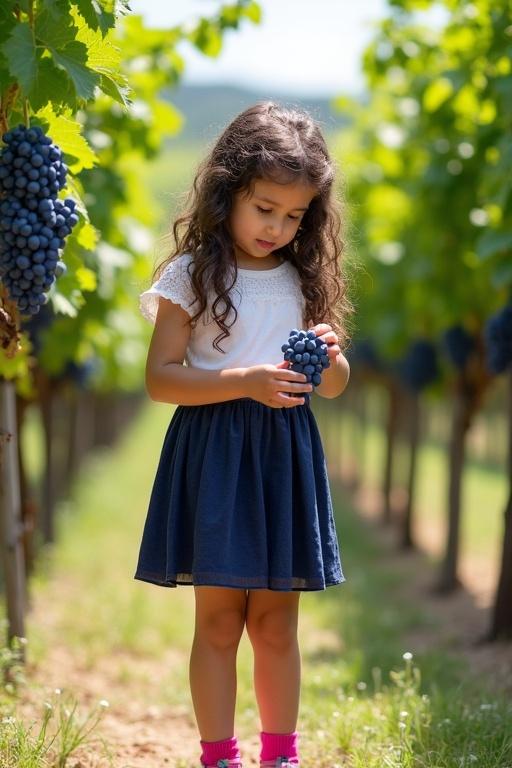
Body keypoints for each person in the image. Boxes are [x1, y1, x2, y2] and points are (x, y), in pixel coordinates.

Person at [134, 101, 353, 768]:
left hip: (284, 455)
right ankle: (218, 755)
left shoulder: (303, 279)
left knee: (277, 623)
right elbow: (162, 380)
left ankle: (280, 755)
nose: (278, 227)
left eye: (294, 216)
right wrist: (246, 380)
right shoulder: (192, 277)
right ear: (229, 190)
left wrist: (330, 356)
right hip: (217, 456)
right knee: (220, 621)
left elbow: (336, 385)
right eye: (265, 208)